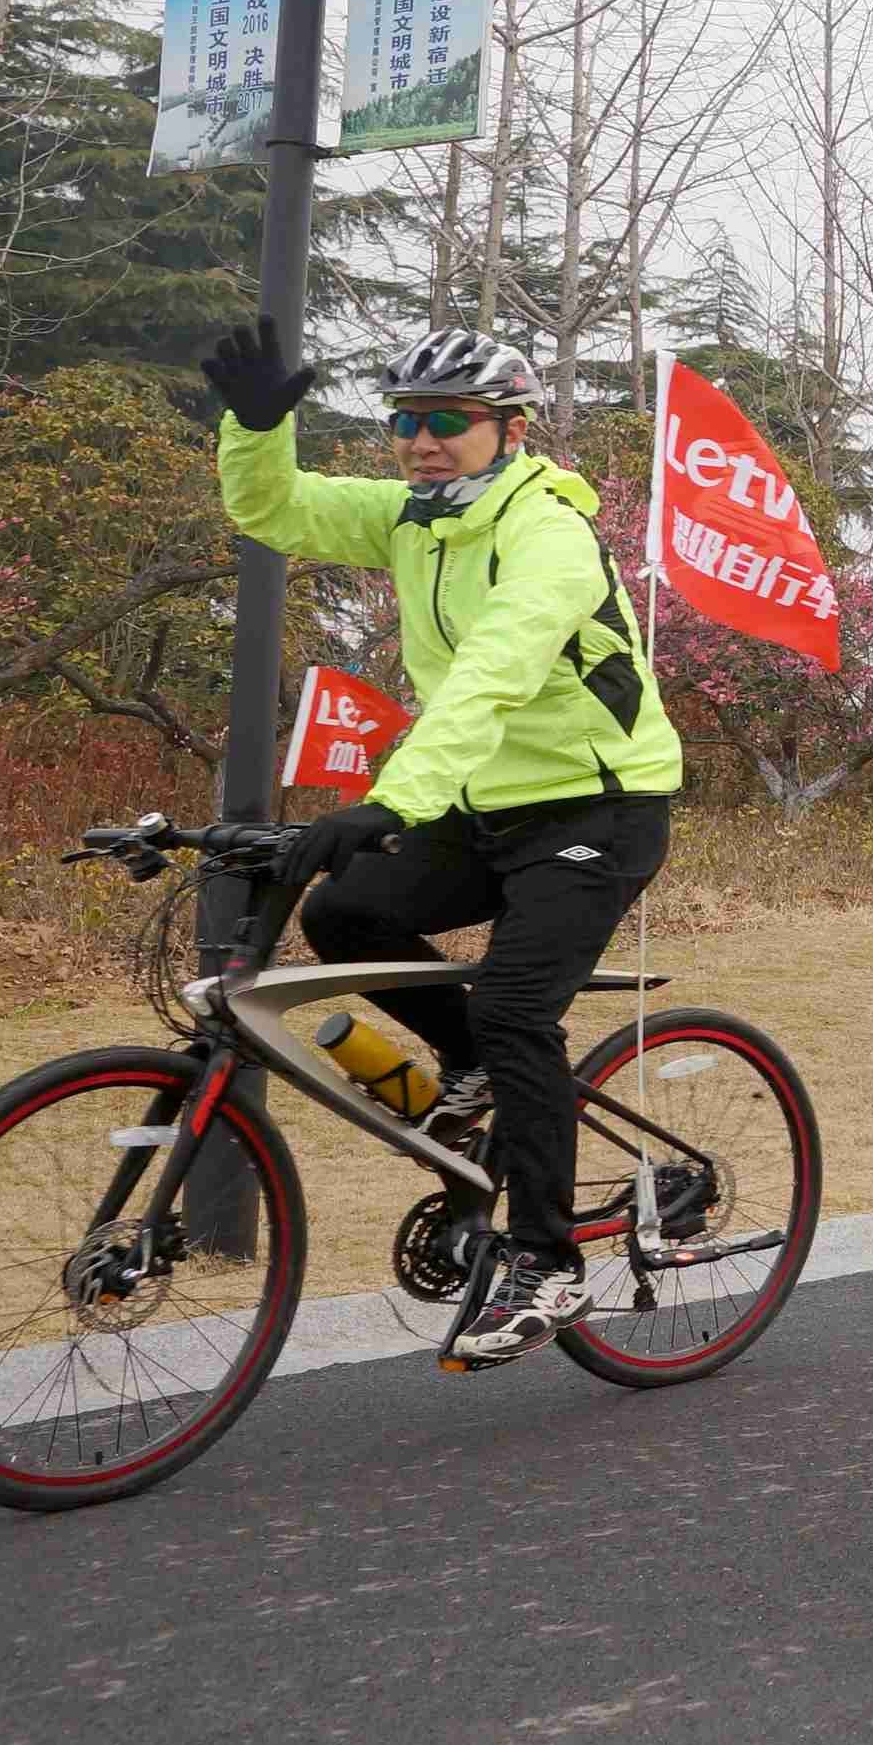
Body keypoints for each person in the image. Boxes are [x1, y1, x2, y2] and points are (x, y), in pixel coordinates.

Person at [201, 317, 686, 1367]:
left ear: (509, 429)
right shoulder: (415, 520)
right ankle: (469, 1068)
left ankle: (548, 1260)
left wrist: (392, 798)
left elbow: (494, 674)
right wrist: (254, 426)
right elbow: (275, 509)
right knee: (346, 910)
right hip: (488, 801)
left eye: (450, 423)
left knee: (517, 1006)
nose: (423, 441)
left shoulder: (546, 533)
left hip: (598, 805)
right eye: (407, 422)